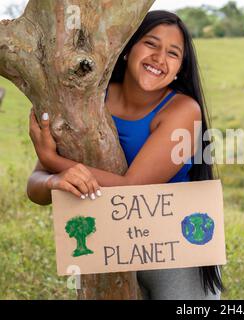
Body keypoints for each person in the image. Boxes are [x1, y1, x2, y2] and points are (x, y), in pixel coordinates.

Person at [26, 10, 223, 300]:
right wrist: (56, 181)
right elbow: (35, 189)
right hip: (106, 248)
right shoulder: (91, 101)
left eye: (173, 53)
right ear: (128, 49)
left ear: (180, 68)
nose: (159, 58)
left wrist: (55, 161)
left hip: (176, 253)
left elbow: (136, 188)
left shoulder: (182, 110)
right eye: (151, 44)